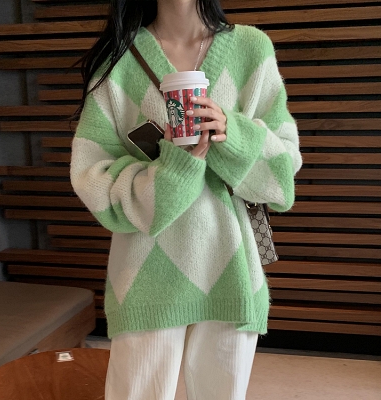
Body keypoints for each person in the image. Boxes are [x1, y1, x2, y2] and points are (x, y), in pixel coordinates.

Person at [70, 0, 302, 399]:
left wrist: (233, 134)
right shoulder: (119, 59)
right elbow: (93, 177)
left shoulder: (251, 49)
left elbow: (283, 171)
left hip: (230, 269)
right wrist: (175, 171)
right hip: (143, 276)